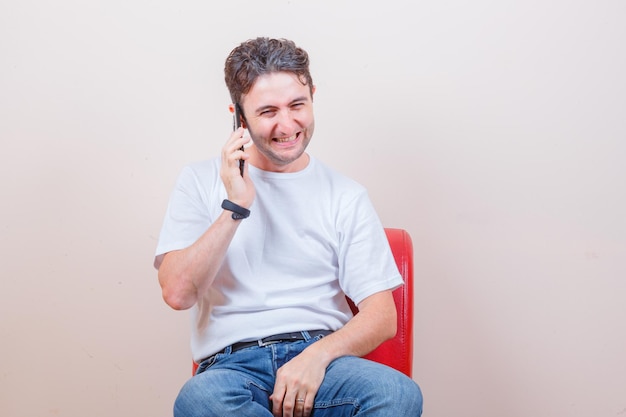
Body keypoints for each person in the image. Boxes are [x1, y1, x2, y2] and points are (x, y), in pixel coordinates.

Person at [154, 37, 423, 417]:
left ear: (313, 96)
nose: (287, 124)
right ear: (239, 117)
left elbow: (381, 317)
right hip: (232, 368)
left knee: (396, 393)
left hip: (325, 363)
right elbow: (178, 293)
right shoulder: (198, 181)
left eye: (298, 105)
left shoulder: (346, 195)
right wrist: (236, 205)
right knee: (199, 400)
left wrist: (316, 357)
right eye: (268, 111)